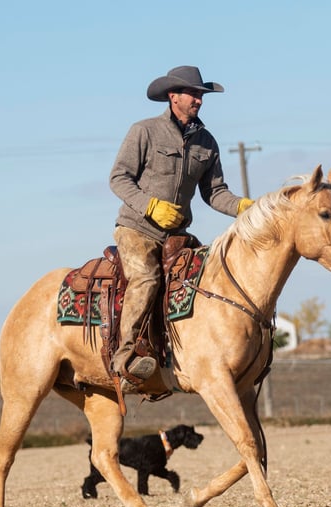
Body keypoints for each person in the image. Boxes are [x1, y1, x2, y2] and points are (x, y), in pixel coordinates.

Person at [109, 65, 254, 386]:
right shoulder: (144, 131)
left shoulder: (207, 142)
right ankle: (126, 356)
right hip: (137, 229)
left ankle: (189, 351)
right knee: (146, 279)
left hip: (176, 236)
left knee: (208, 277)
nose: (198, 100)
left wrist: (244, 207)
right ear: (173, 96)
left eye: (201, 95)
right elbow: (118, 178)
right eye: (192, 94)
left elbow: (214, 193)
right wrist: (150, 205)